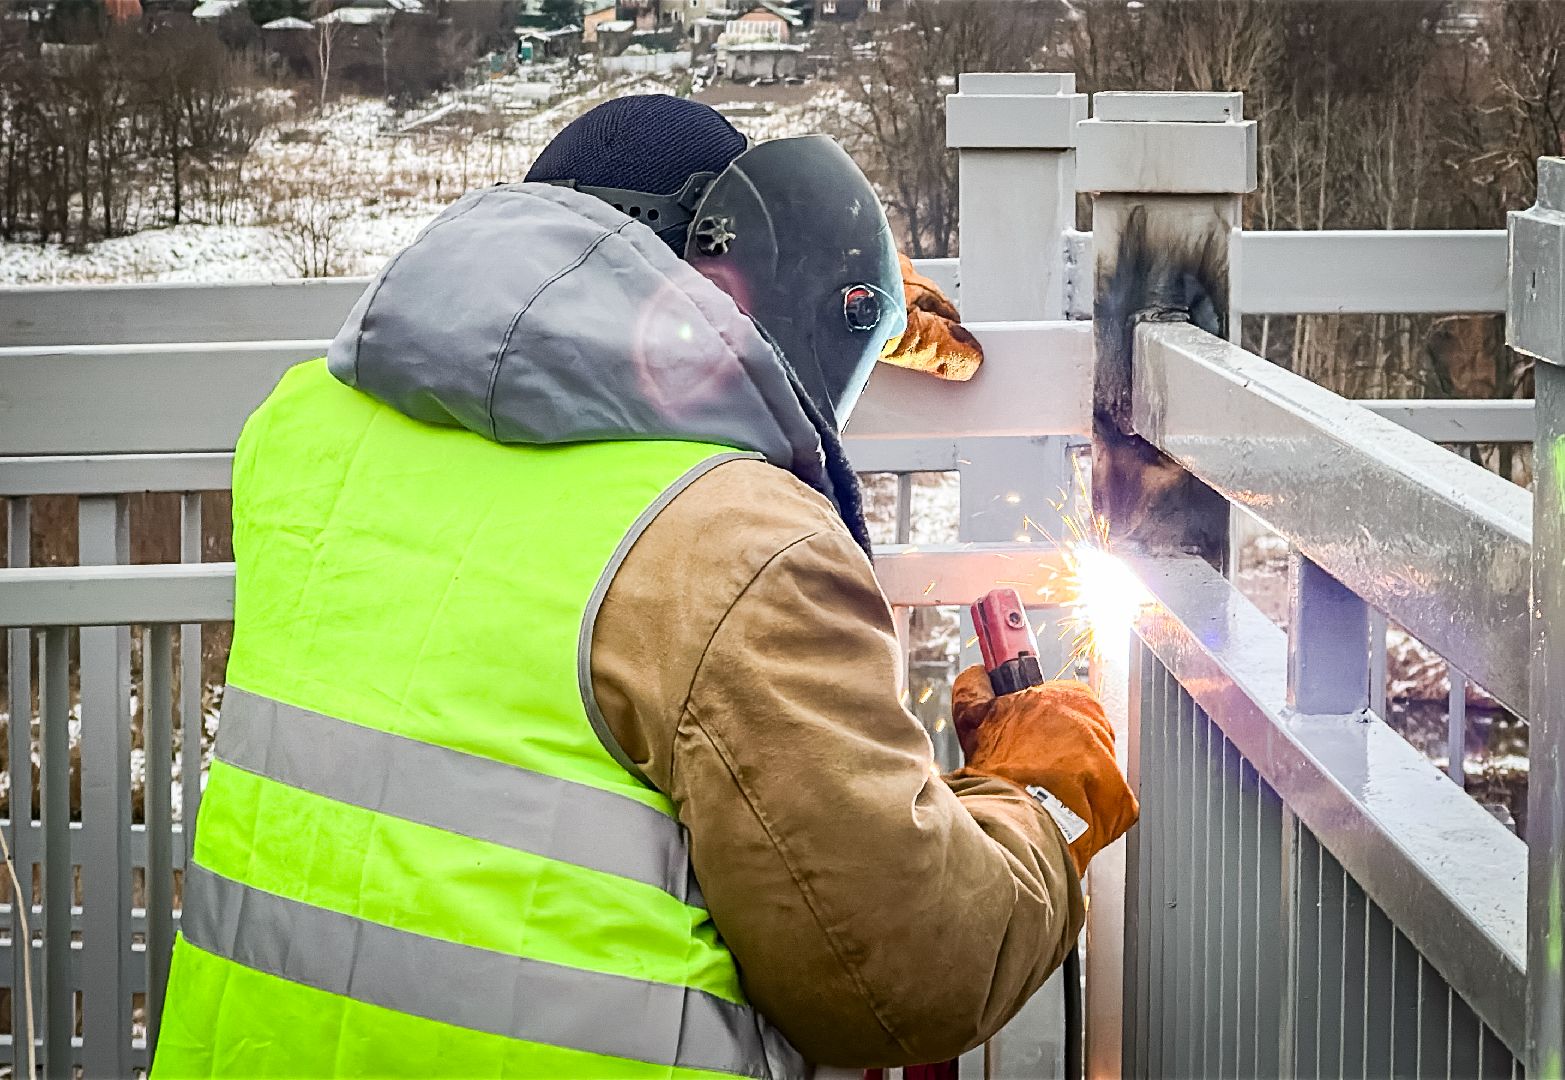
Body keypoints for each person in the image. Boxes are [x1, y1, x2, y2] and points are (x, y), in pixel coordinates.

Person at [152, 95, 1137, 1079]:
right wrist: (1034, 798)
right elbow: (906, 973)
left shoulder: (300, 436)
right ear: (708, 288)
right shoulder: (733, 541)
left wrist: (829, 297)